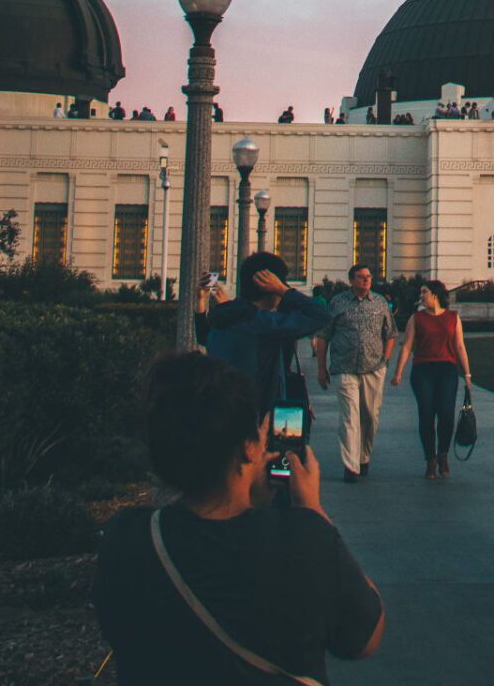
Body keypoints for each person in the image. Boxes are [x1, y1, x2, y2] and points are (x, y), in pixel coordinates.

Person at [94, 353, 384, 683]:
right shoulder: (304, 542)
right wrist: (312, 510)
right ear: (249, 448)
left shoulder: (127, 539)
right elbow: (365, 637)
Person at [205, 253, 330, 416]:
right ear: (267, 285)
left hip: (224, 410)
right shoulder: (261, 324)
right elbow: (321, 315)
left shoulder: (226, 316)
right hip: (254, 417)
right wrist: (283, 290)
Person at [314, 264, 397, 482]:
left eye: (368, 277)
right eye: (361, 277)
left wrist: (385, 361)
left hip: (373, 368)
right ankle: (351, 466)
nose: (366, 280)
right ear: (351, 281)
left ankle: (363, 456)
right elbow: (324, 336)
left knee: (369, 415)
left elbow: (390, 334)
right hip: (345, 367)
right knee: (350, 417)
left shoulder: (380, 303)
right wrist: (321, 369)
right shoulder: (338, 303)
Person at [390, 280, 472, 480]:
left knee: (446, 414)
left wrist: (467, 374)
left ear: (435, 294)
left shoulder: (453, 317)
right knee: (426, 415)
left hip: (447, 370)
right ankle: (430, 460)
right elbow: (407, 346)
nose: (421, 296)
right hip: (423, 370)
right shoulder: (416, 318)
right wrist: (398, 372)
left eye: (424, 292)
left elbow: (460, 346)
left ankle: (443, 454)